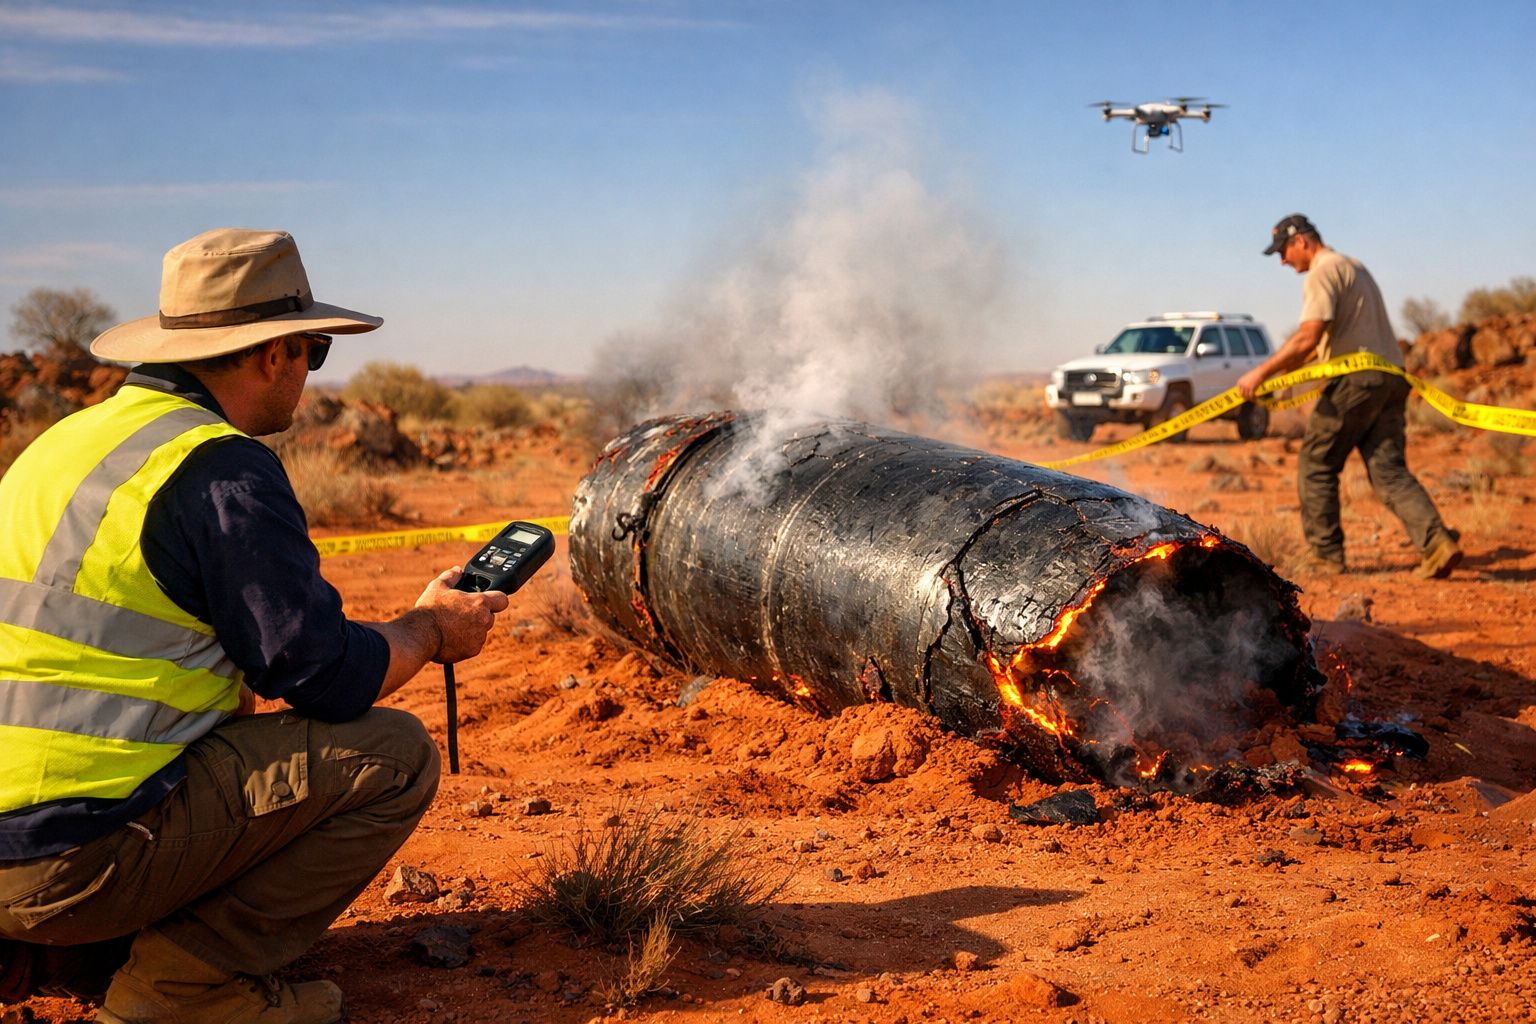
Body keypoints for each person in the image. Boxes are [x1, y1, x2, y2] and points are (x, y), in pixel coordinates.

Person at [0, 228, 511, 1023]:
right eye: (313, 349)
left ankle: (53, 949)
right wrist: (429, 630)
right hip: (67, 860)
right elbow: (322, 675)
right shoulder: (218, 469)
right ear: (273, 354)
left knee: (223, 710)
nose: (309, 372)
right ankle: (182, 991)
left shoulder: (64, 442)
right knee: (394, 756)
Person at [1237, 214, 1462, 579]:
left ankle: (1326, 557)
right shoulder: (1354, 266)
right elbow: (1327, 341)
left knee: (1316, 463)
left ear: (1302, 242)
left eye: (1283, 251)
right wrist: (1284, 374)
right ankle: (1437, 543)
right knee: (1388, 469)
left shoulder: (1322, 272)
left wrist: (1260, 372)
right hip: (1390, 379)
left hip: (1356, 382)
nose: (1282, 261)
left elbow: (1308, 336)